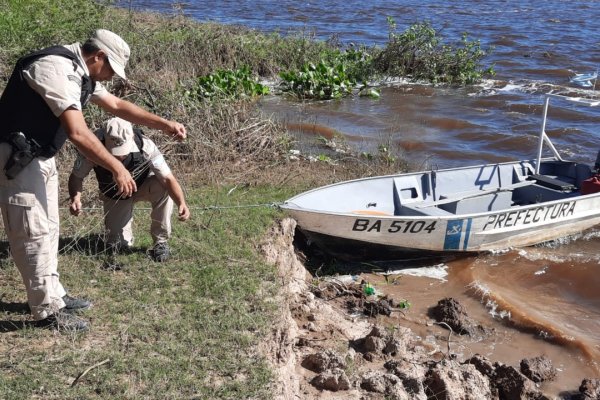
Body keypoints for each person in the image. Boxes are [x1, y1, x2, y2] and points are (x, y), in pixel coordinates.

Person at [0, 29, 186, 332]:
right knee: (32, 231)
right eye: (111, 69)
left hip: (38, 156)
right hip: (15, 159)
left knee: (49, 228)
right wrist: (117, 166)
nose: (111, 77)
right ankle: (46, 311)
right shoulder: (57, 68)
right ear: (98, 56)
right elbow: (77, 131)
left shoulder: (80, 71)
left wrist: (164, 124)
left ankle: (54, 295)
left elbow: (117, 106)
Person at [68, 117, 190, 263]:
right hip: (115, 195)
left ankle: (161, 242)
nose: (119, 157)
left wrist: (181, 203)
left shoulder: (145, 146)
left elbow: (168, 178)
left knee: (162, 186)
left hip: (142, 186)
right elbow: (76, 177)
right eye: (114, 153)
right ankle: (117, 234)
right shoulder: (90, 148)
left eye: (123, 153)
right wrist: (75, 198)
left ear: (131, 138)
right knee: (119, 246)